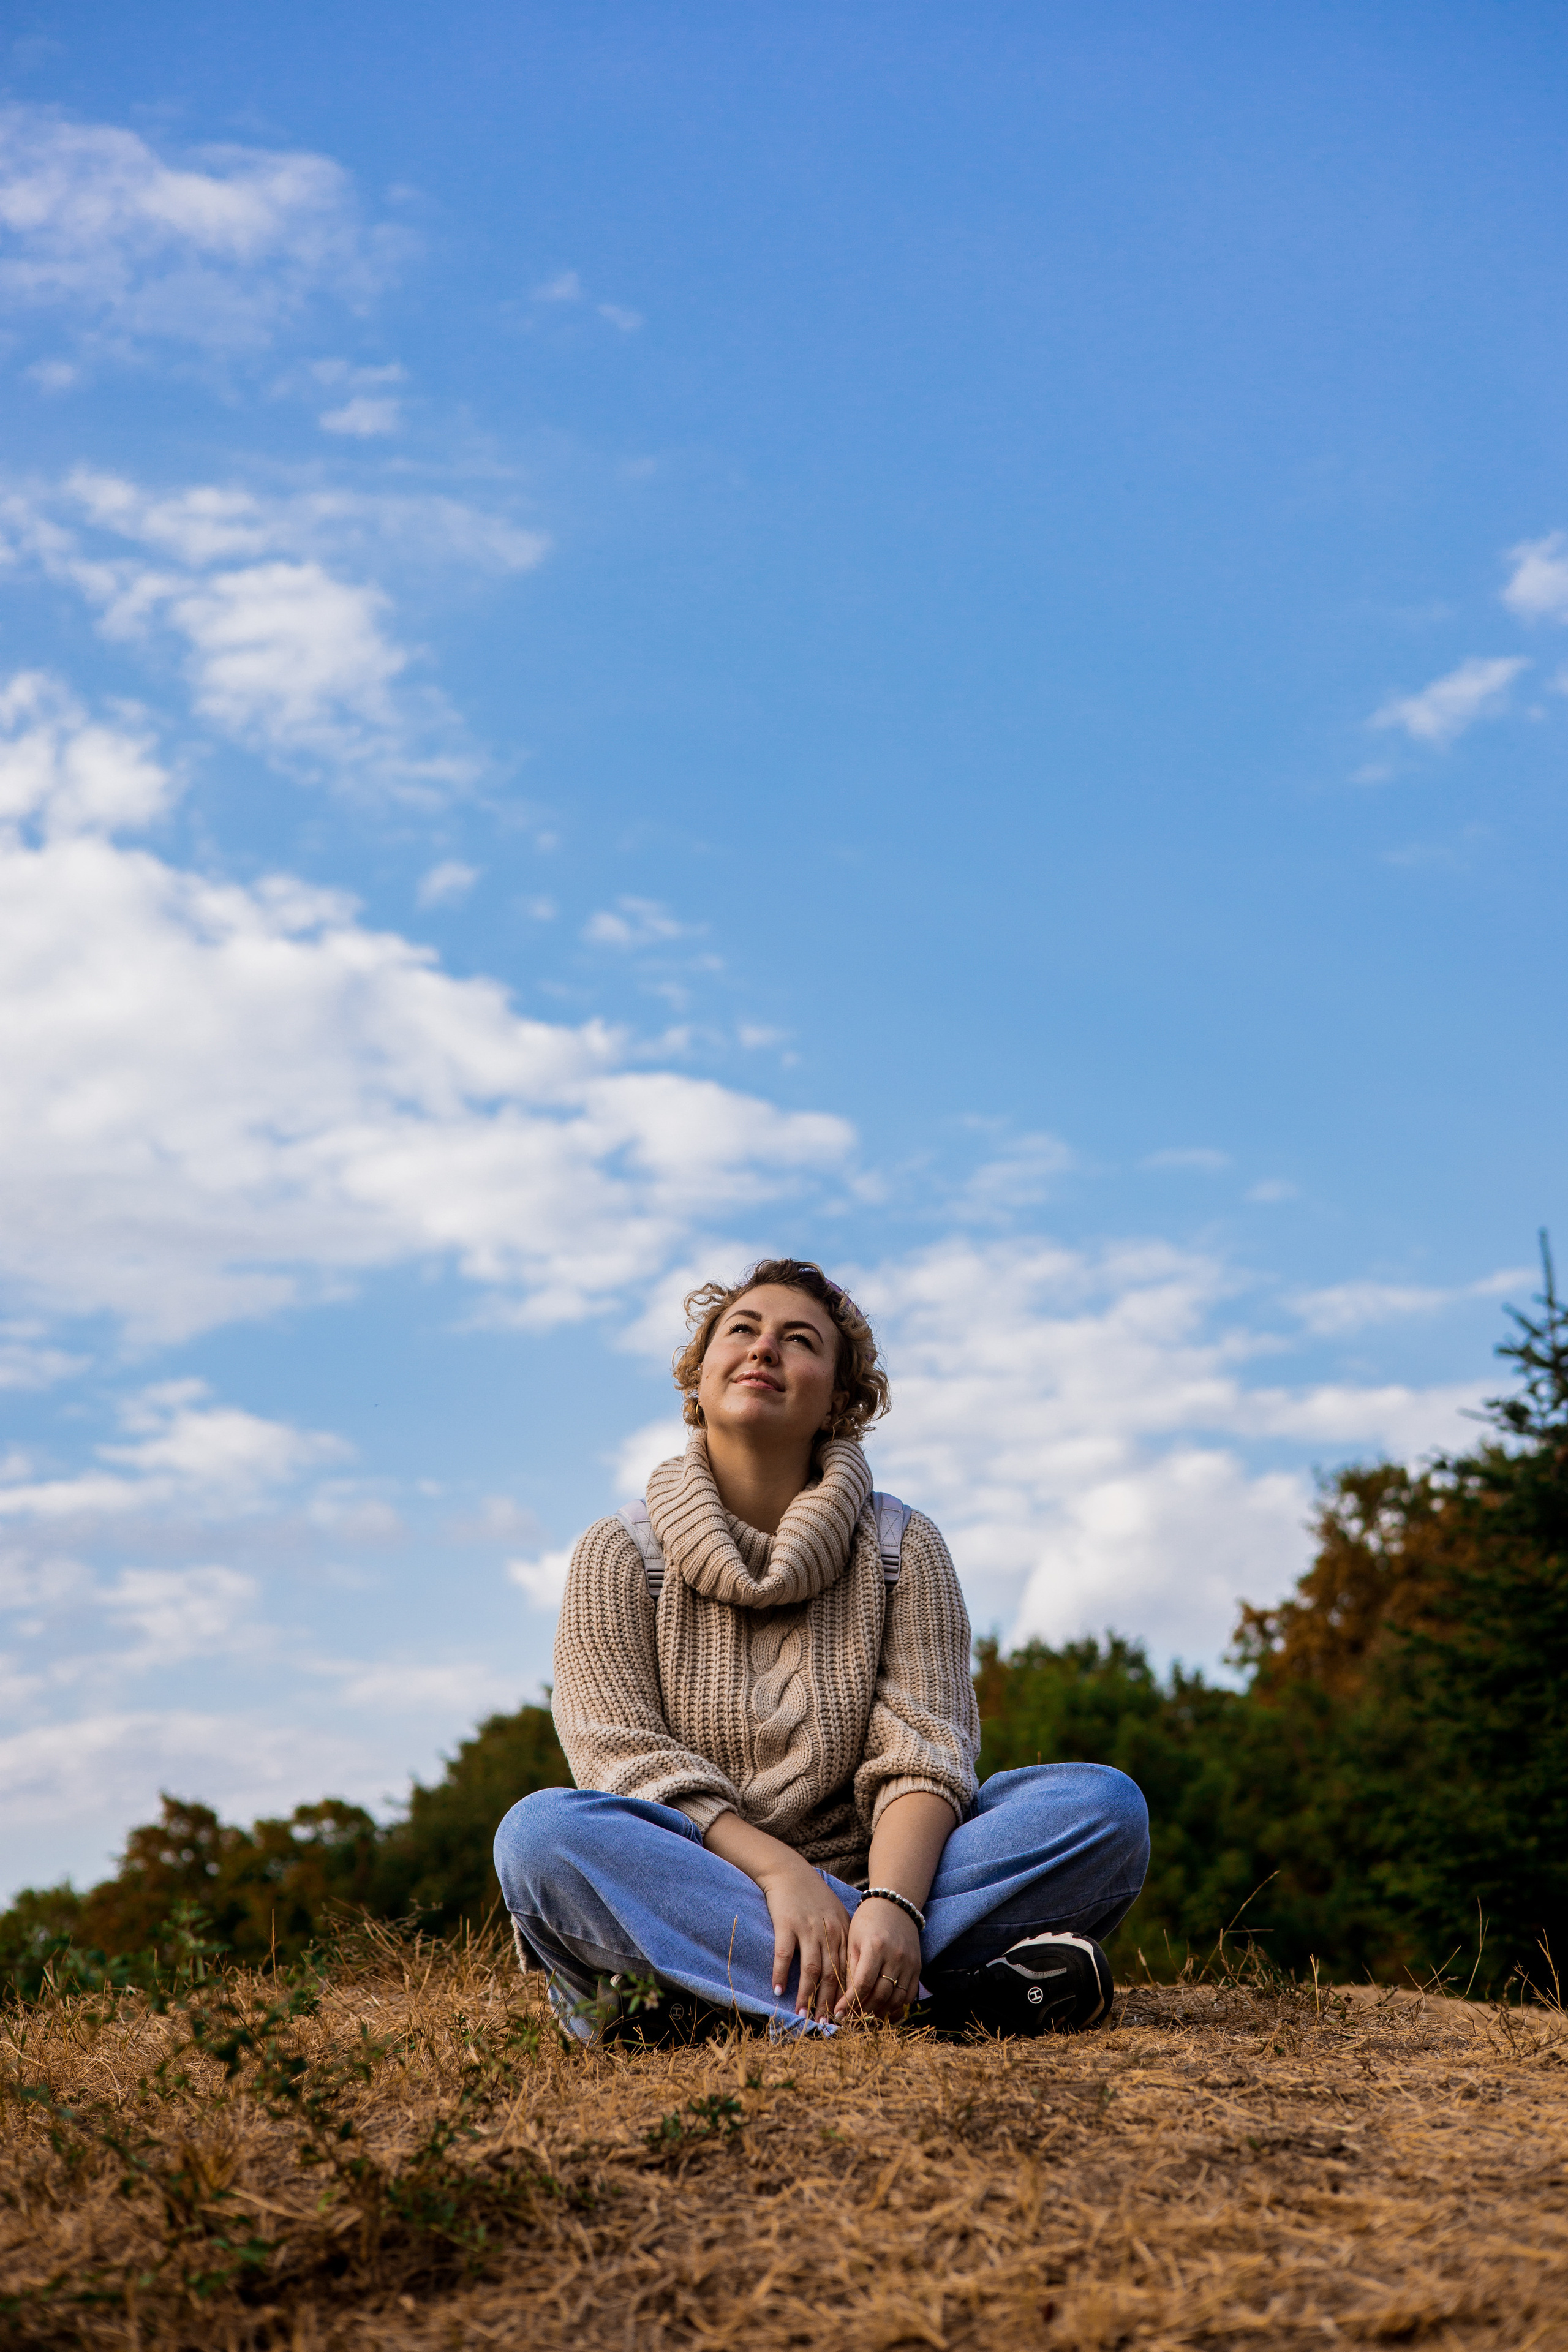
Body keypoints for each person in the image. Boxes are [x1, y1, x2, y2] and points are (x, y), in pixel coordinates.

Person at [494, 1259, 1149, 2045]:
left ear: (839, 1398)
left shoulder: (903, 1547)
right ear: (697, 1377)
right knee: (541, 1837)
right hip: (702, 1878)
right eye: (741, 1331)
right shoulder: (620, 1552)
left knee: (1100, 1811)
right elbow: (621, 1760)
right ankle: (945, 2004)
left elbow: (924, 1753)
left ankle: (717, 2003)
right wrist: (780, 1876)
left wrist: (892, 1905)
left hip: (890, 1880)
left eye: (797, 1340)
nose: (763, 1349)